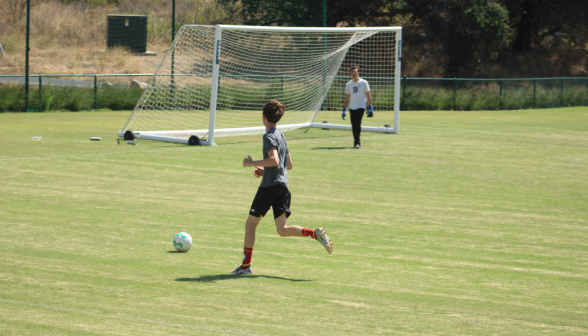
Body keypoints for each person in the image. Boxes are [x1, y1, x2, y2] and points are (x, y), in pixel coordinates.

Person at [231, 100, 333, 275]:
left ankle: (245, 267)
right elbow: (289, 165)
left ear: (264, 118)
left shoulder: (269, 136)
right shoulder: (281, 135)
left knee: (250, 225)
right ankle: (314, 233)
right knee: (282, 230)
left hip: (269, 188)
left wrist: (250, 163)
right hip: (282, 187)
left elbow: (275, 161)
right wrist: (265, 172)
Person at [342, 66, 373, 148]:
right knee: (353, 125)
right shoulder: (348, 84)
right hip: (352, 107)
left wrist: (370, 107)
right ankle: (356, 141)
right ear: (350, 74)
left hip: (361, 106)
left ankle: (357, 142)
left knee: (357, 122)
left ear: (358, 73)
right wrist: (344, 109)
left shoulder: (364, 83)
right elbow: (347, 98)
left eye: (355, 72)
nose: (353, 73)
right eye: (352, 72)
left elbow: (368, 95)